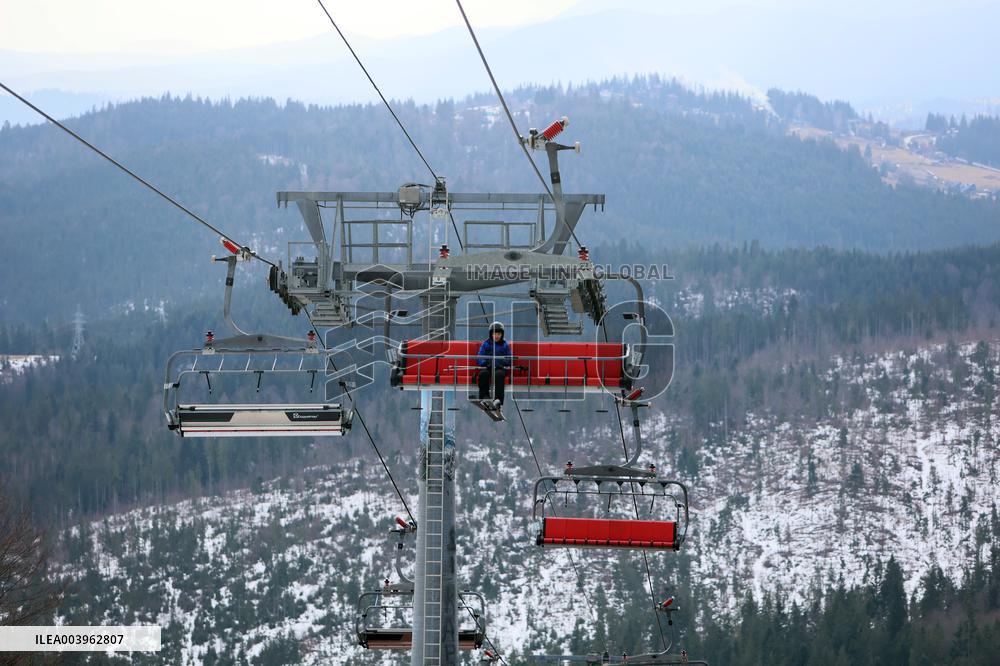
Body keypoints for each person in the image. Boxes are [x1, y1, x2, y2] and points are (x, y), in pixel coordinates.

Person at [476, 321, 512, 408]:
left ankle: (498, 399)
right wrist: (485, 363)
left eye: (498, 334)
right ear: (491, 334)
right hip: (488, 367)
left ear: (502, 335)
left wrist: (503, 363)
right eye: (494, 334)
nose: (496, 336)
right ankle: (484, 397)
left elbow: (509, 358)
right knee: (483, 374)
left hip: (499, 368)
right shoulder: (486, 344)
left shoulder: (504, 345)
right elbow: (480, 356)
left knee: (499, 375)